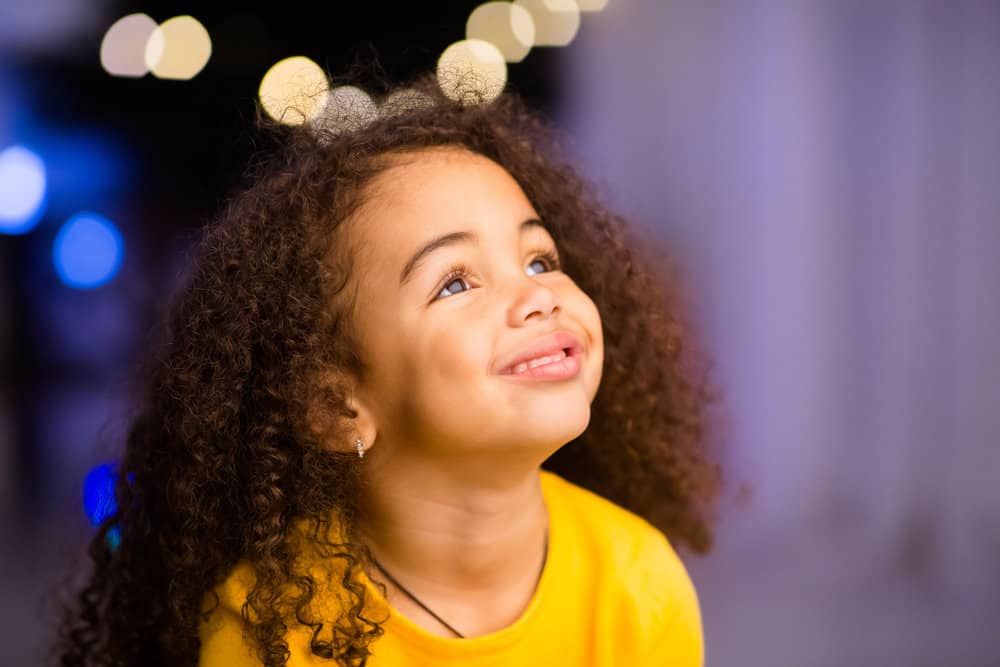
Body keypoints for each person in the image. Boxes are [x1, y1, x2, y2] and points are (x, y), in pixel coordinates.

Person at [56, 70, 722, 667]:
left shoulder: (640, 583)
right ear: (337, 406)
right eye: (456, 282)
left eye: (540, 259)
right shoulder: (270, 631)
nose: (538, 294)